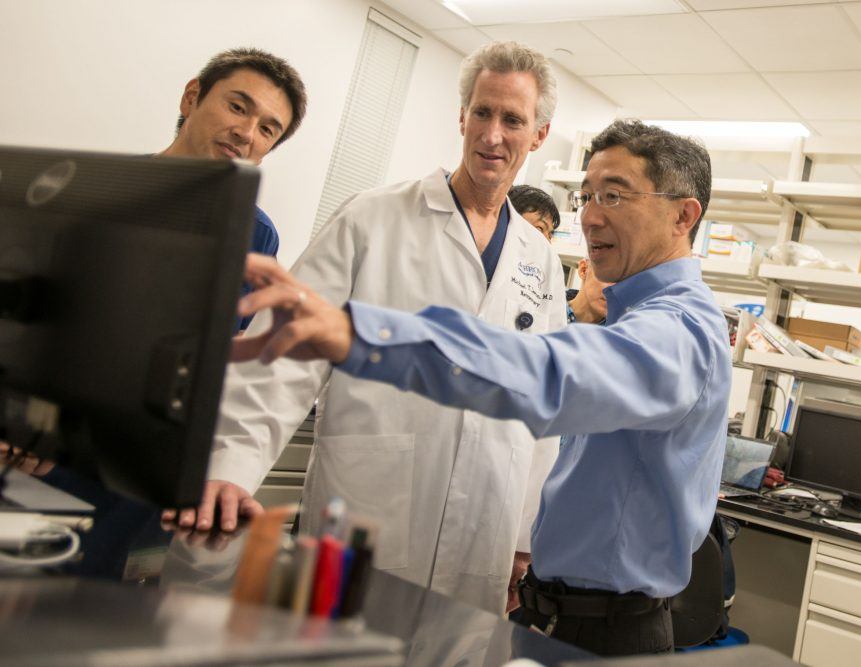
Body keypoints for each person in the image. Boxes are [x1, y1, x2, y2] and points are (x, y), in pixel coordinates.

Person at [231, 118, 731, 656]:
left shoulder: (679, 332)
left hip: (607, 631)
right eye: (587, 195)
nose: (590, 216)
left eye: (614, 195)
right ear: (461, 118)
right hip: (548, 606)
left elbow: (548, 374)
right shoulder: (373, 213)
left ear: (684, 214)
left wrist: (365, 334)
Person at [166, 41, 567, 614]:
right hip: (367, 511)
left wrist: (525, 536)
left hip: (484, 530)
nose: (492, 135)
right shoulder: (373, 217)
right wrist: (230, 469)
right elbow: (283, 352)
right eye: (482, 112)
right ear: (462, 116)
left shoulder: (542, 261)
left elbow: (545, 404)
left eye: (513, 120)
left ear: (539, 135)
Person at [159, 47, 307, 330]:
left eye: (266, 130)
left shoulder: (257, 233)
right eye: (237, 108)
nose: (246, 133)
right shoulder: (104, 185)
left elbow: (237, 337)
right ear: (192, 98)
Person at [565, 258, 611, 324]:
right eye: (609, 275)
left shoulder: (622, 331)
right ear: (584, 270)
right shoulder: (549, 310)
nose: (616, 290)